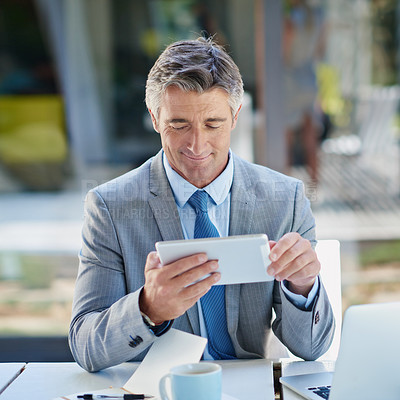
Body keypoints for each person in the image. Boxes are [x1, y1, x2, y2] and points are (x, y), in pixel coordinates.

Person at [69, 37, 334, 372]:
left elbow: (313, 349)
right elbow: (85, 346)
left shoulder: (287, 200)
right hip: (160, 390)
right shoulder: (109, 207)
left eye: (213, 124)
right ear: (154, 117)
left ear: (235, 116)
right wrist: (148, 308)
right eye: (178, 125)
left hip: (249, 390)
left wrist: (303, 286)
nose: (197, 144)